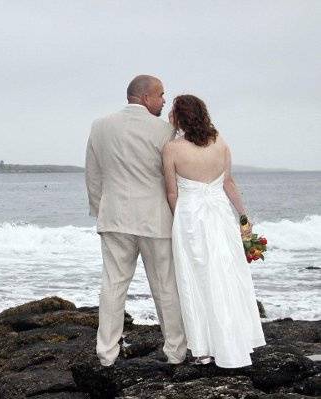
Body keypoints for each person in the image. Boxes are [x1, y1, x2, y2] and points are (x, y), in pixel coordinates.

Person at [85, 75, 187, 367]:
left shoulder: (100, 126)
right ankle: (176, 351)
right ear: (145, 98)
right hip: (156, 219)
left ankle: (106, 353)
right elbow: (175, 177)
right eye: (161, 95)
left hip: (114, 217)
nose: (164, 100)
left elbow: (93, 174)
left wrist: (100, 209)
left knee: (113, 285)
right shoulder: (165, 130)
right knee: (165, 286)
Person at [162, 94, 266, 367]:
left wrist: (178, 222)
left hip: (190, 219)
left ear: (180, 116)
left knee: (197, 279)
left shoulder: (172, 148)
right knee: (227, 274)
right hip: (220, 214)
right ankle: (239, 339)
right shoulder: (219, 141)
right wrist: (243, 216)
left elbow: (172, 193)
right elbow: (228, 183)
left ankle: (205, 349)